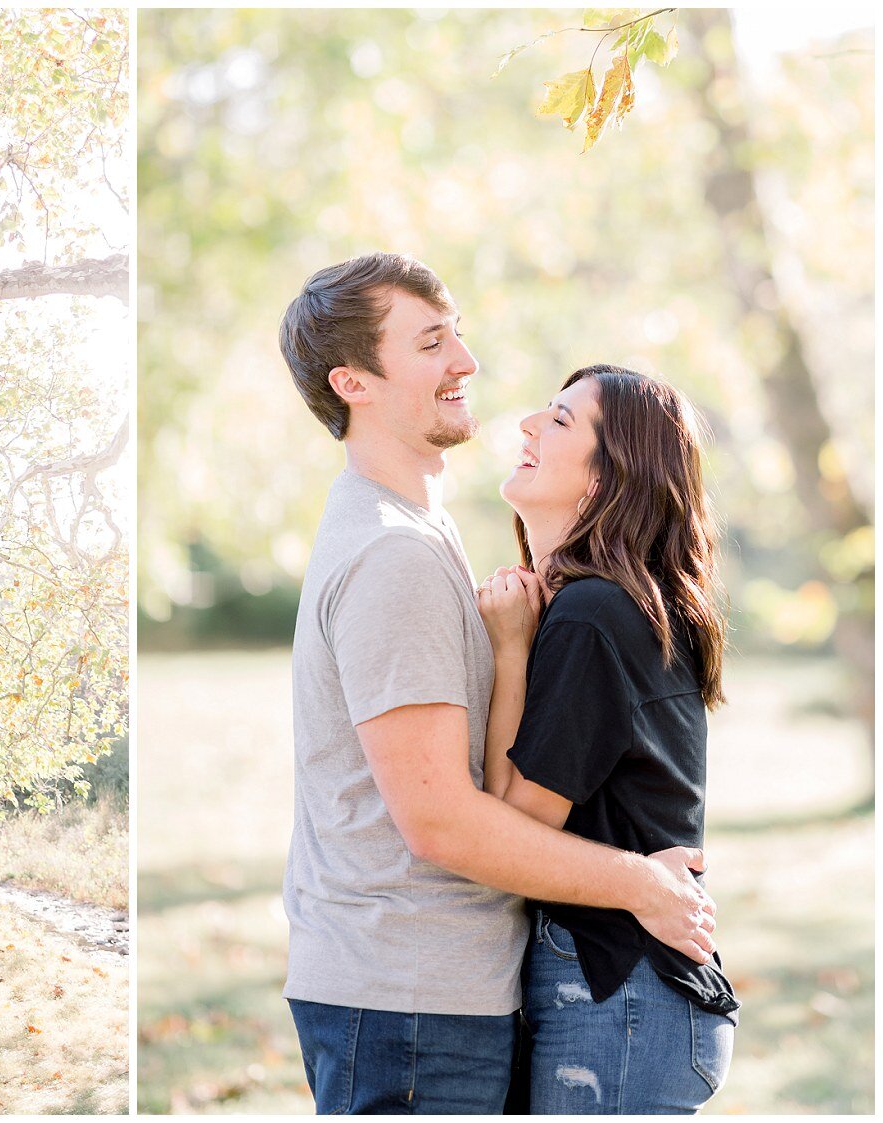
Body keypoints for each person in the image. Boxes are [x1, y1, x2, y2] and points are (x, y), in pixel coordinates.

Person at [276, 252, 716, 1115]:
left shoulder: (429, 535)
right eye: (433, 342)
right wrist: (643, 883)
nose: (467, 364)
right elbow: (442, 817)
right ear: (354, 382)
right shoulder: (395, 552)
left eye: (460, 336)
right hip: (408, 994)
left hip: (459, 988)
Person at [476, 365, 739, 1113]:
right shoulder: (615, 607)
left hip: (618, 998)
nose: (527, 424)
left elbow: (515, 830)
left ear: (603, 481)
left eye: (559, 421)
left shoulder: (594, 615)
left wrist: (510, 652)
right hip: (629, 997)